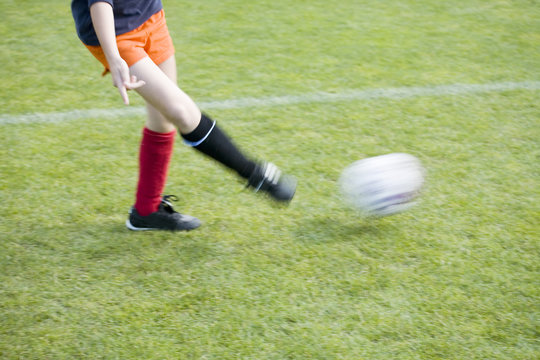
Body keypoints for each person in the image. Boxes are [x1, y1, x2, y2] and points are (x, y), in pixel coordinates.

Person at [71, 0, 297, 231]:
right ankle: (256, 174)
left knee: (162, 118)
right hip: (114, 34)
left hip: (150, 16)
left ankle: (146, 211)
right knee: (181, 111)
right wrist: (113, 55)